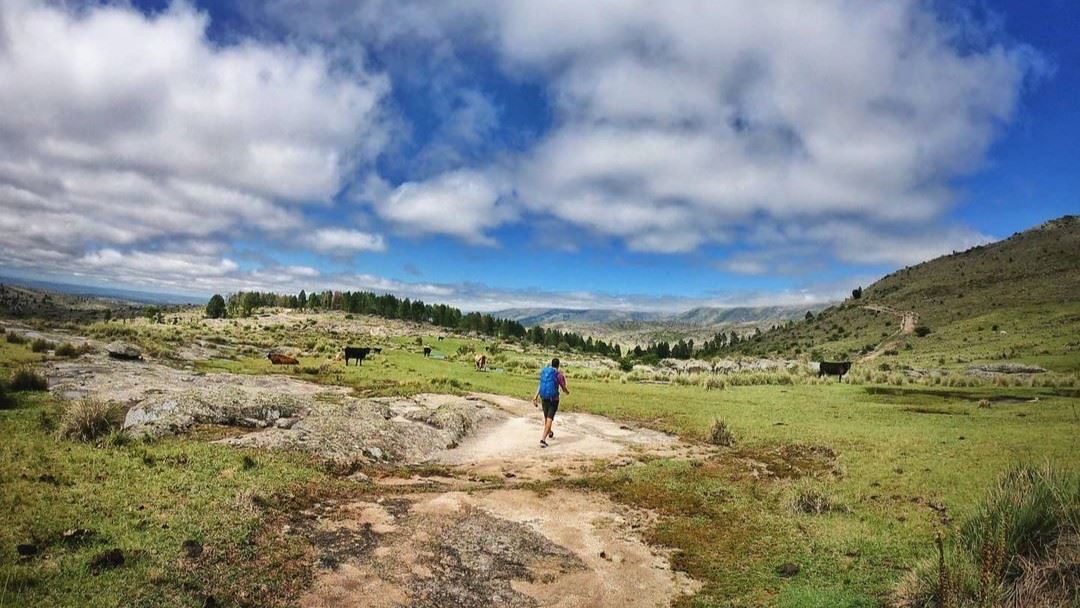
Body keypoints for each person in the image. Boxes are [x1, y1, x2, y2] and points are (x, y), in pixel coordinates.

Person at [532, 358, 569, 448]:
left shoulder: (545, 372)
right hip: (553, 399)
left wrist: (535, 397)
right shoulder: (559, 375)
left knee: (546, 417)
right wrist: (567, 392)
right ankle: (543, 440)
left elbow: (540, 384)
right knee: (549, 418)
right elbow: (563, 387)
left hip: (544, 397)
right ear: (558, 365)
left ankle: (550, 432)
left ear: (551, 364)